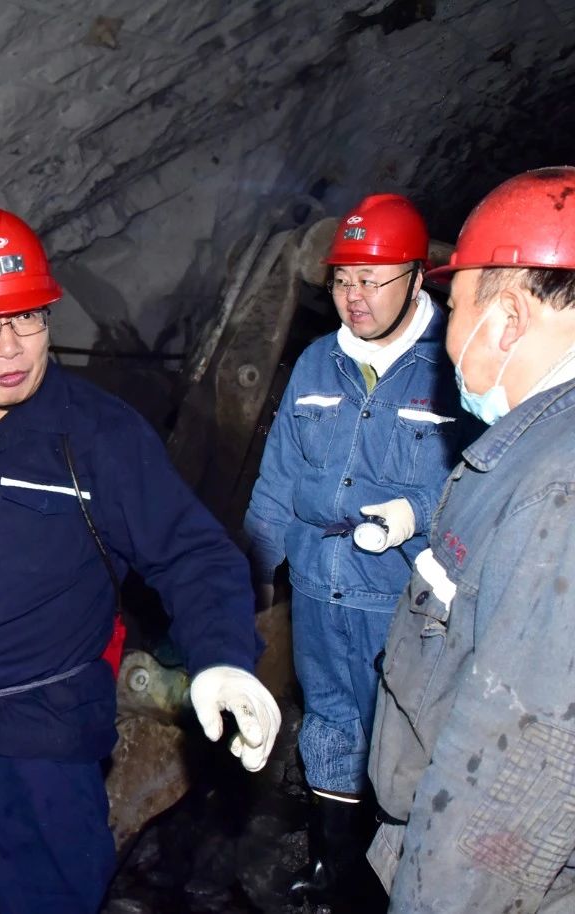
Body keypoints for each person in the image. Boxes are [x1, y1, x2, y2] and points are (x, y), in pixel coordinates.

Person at [0, 202, 281, 914]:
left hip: (41, 755)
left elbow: (193, 554)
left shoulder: (96, 437)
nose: (11, 347)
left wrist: (222, 658)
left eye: (28, 318)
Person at [242, 194, 466, 905]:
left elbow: (488, 479)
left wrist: (416, 512)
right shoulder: (316, 364)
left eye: (371, 279)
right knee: (331, 726)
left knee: (407, 739)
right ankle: (333, 872)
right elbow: (278, 477)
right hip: (318, 588)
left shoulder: (456, 361)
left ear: (416, 276)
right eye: (342, 279)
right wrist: (257, 571)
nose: (354, 296)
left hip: (404, 599)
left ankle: (397, 882)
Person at [367, 166, 575, 912]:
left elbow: (518, 765)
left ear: (508, 319)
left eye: (453, 307)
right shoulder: (532, 451)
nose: (446, 337)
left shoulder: (558, 488)